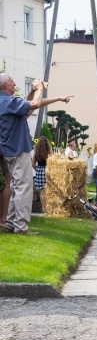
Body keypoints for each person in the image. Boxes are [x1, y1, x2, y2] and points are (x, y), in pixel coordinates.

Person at [0, 75, 73, 234]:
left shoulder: (4, 102)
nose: (15, 83)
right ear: (5, 85)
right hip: (18, 150)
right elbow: (35, 104)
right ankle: (21, 226)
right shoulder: (8, 102)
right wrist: (39, 88)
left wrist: (45, 95)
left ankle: (11, 223)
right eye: (12, 81)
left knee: (15, 187)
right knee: (24, 188)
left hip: (9, 151)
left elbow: (28, 107)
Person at [32, 137, 52, 213]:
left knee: (42, 191)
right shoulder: (48, 152)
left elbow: (33, 164)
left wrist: (37, 169)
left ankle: (43, 208)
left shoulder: (36, 152)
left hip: (39, 171)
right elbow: (52, 161)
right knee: (48, 190)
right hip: (47, 170)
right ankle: (48, 207)